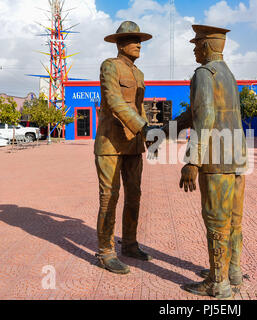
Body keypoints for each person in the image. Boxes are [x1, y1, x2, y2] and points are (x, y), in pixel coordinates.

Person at [164, 24, 248, 299]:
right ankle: (232, 271)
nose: (194, 49)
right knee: (234, 220)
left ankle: (218, 284)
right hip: (236, 158)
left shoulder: (203, 73)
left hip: (215, 160)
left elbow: (205, 118)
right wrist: (164, 132)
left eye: (197, 44)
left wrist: (192, 161)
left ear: (208, 46)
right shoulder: (228, 74)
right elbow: (196, 113)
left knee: (215, 221)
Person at [94, 21, 154, 274]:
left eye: (139, 40)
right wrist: (143, 126)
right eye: (133, 40)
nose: (139, 44)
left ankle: (129, 243)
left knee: (135, 195)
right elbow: (114, 101)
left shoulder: (139, 74)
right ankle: (106, 251)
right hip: (110, 142)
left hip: (133, 144)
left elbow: (139, 107)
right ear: (120, 44)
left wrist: (149, 134)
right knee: (109, 197)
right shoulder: (110, 66)